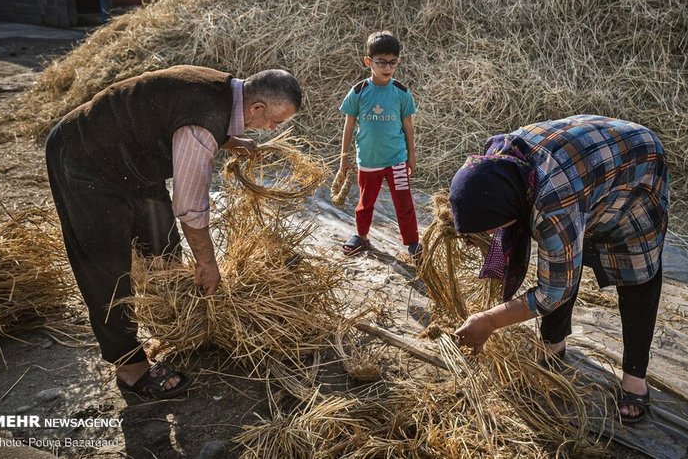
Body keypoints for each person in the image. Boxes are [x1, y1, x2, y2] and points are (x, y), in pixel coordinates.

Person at [45, 65, 301, 399]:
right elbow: (191, 208)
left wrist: (229, 141)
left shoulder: (224, 93)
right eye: (275, 121)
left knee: (161, 244)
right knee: (105, 266)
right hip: (85, 155)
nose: (272, 129)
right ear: (257, 107)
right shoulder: (202, 122)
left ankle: (167, 323)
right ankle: (129, 366)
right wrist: (207, 263)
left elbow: (174, 115)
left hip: (133, 160)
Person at [450, 115, 668, 424]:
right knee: (563, 259)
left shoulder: (554, 205)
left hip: (636, 161)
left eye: (490, 228)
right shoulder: (496, 164)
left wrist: (489, 320)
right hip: (584, 161)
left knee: (636, 271)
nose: (489, 235)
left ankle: (635, 377)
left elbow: (553, 291)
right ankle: (554, 344)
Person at [337, 31, 421, 259]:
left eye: (393, 62)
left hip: (397, 160)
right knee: (365, 203)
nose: (387, 67)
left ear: (398, 62)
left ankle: (413, 243)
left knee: (404, 203)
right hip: (368, 160)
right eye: (381, 62)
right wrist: (344, 157)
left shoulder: (401, 92)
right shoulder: (358, 91)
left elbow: (408, 127)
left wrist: (411, 156)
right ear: (368, 61)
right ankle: (361, 236)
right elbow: (348, 126)